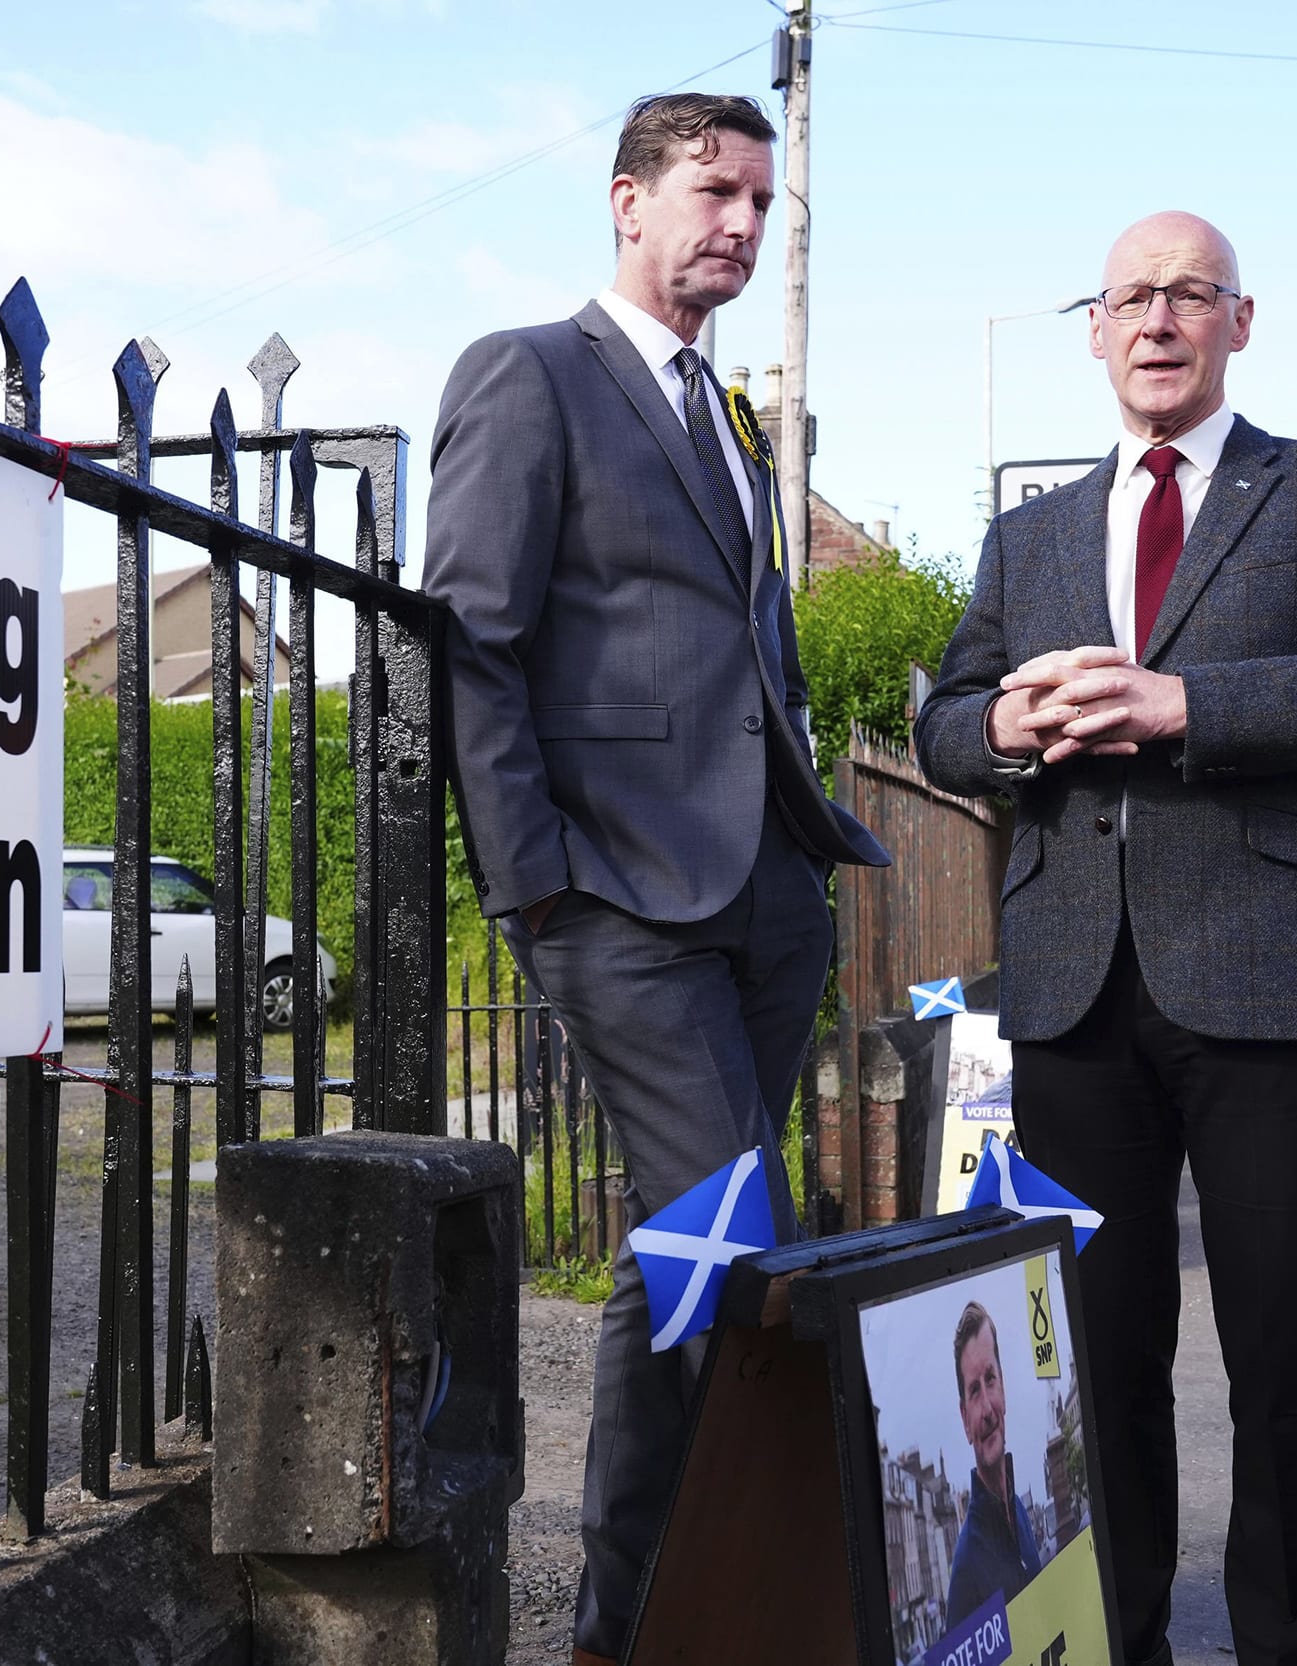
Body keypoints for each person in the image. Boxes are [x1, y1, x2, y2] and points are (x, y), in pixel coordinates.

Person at [913, 211, 1297, 1666]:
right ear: (1095, 328)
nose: (1158, 320)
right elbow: (944, 717)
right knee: (1097, 1358)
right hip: (1075, 986)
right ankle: (1116, 1639)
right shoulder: (1027, 533)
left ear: (1240, 320)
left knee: (1282, 1356)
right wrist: (1009, 724)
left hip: (1278, 974)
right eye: (1130, 297)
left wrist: (1181, 707)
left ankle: (1285, 1645)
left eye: (1188, 295)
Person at [421, 92, 890, 1665]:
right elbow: (468, 642)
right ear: (629, 200)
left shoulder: (739, 419)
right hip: (618, 895)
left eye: (765, 202)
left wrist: (803, 846)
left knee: (678, 1264)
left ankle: (644, 1620)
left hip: (764, 892)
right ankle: (657, 1627)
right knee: (731, 1244)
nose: (745, 224)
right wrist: (534, 882)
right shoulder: (529, 374)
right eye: (714, 191)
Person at [944, 1301, 1046, 1624]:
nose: (987, 1408)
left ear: (1003, 1385)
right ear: (964, 1418)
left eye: (990, 1379)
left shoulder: (1019, 1513)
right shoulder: (966, 1570)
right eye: (974, 1391)